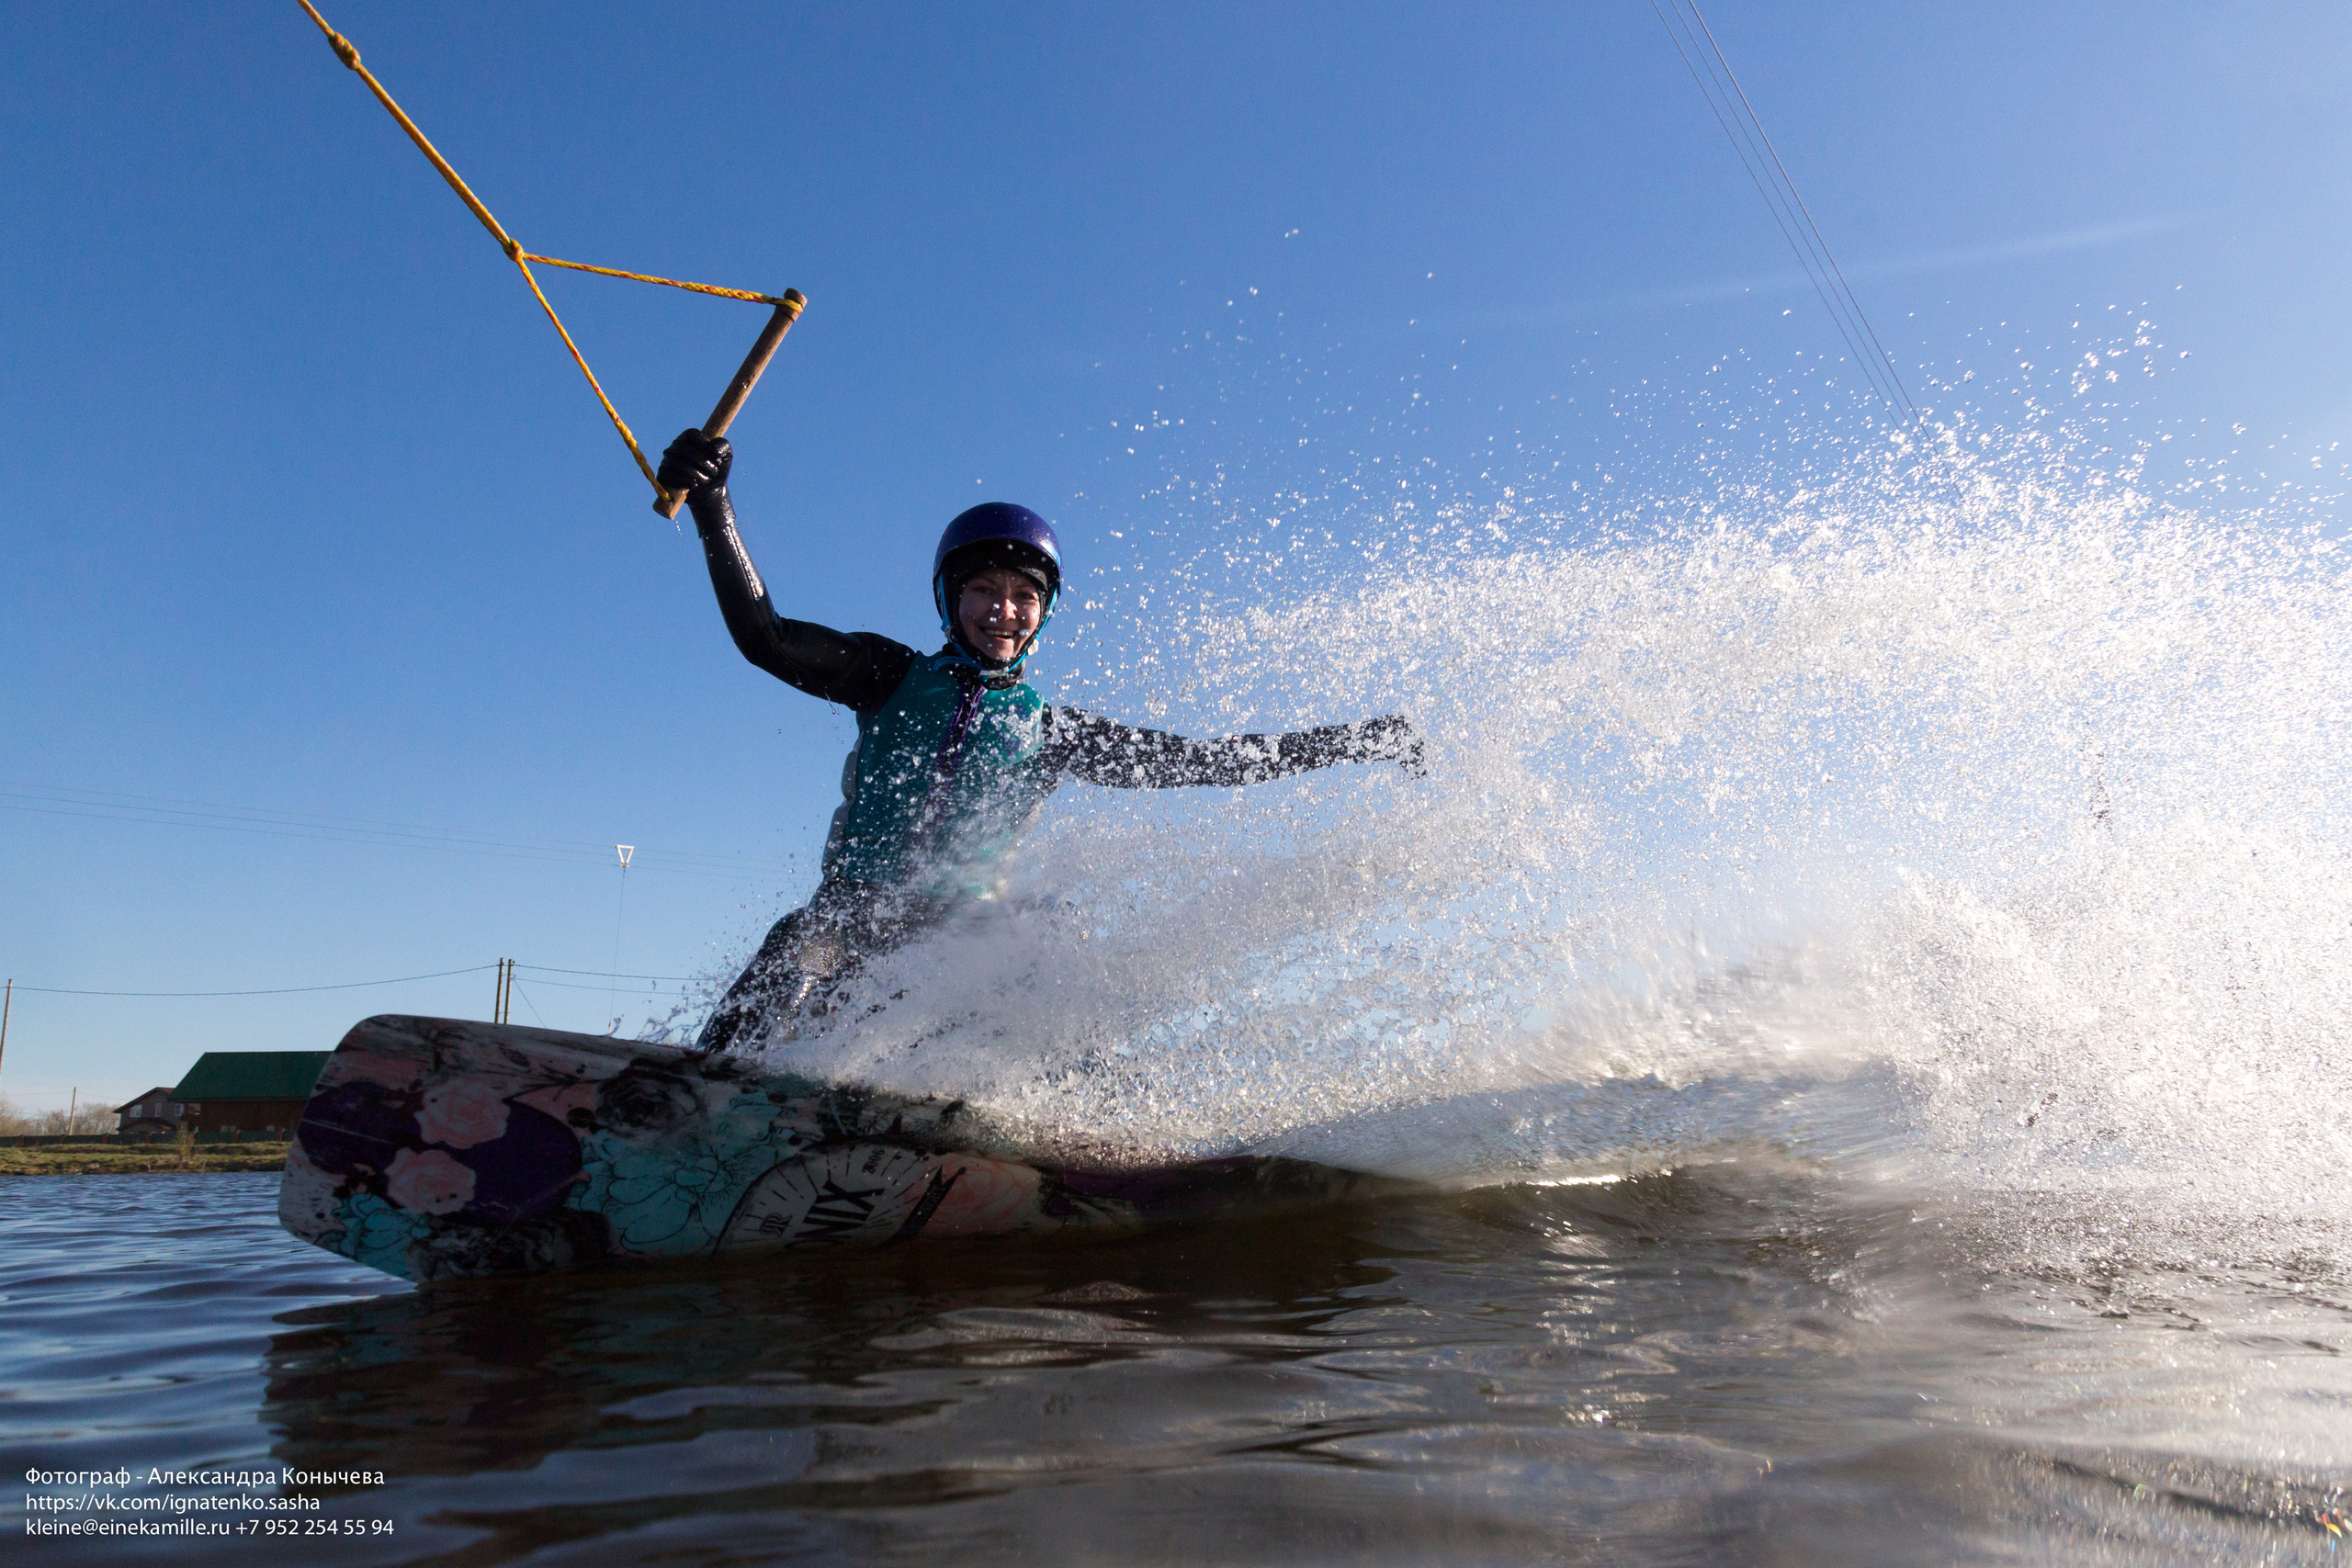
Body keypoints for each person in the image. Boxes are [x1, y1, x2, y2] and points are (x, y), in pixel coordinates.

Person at [659, 430, 1423, 1055]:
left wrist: (1354, 741)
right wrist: (715, 509)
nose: (1005, 610)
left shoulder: (1052, 732)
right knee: (797, 941)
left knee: (1047, 946)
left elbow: (1206, 761)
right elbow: (766, 638)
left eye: (1025, 595)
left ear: (1045, 611)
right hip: (854, 916)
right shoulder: (888, 674)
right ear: (950, 597)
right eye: (985, 590)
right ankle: (695, 1085)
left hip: (954, 943)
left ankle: (1078, 1132)